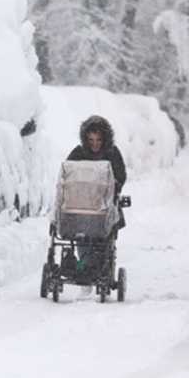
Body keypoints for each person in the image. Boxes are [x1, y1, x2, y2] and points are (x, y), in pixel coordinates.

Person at [66, 115, 127, 283]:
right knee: (81, 235)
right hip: (82, 205)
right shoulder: (78, 153)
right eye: (91, 140)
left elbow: (121, 176)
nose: (95, 144)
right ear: (85, 138)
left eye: (99, 140)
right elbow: (68, 174)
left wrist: (114, 186)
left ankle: (101, 268)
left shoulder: (112, 154)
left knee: (104, 238)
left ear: (105, 139)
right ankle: (84, 265)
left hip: (105, 205)